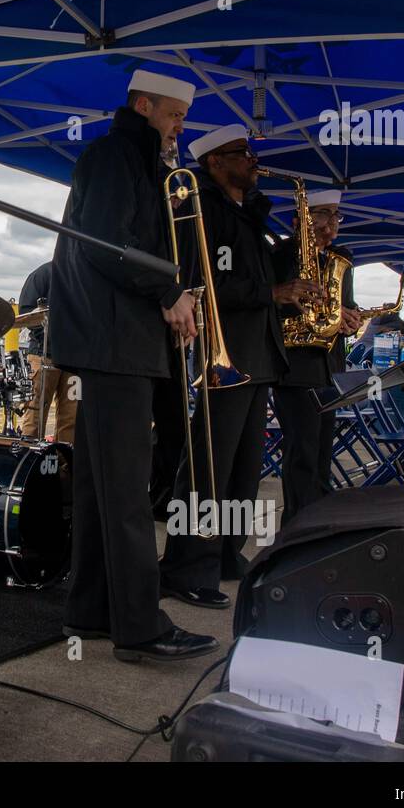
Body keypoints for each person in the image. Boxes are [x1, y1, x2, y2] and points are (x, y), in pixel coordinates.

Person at [49, 69, 216, 663]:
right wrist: (170, 291)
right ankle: (140, 627)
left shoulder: (130, 157)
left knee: (100, 486)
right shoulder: (118, 154)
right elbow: (103, 241)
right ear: (143, 105)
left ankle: (91, 609)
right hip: (115, 342)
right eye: (173, 115)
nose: (179, 128)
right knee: (125, 491)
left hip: (111, 342)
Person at [159, 125, 305, 608]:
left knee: (244, 470)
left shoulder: (247, 215)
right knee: (207, 469)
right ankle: (185, 565)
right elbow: (206, 284)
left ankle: (225, 552)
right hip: (228, 356)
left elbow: (258, 275)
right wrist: (273, 293)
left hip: (256, 354)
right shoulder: (207, 212)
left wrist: (299, 248)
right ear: (216, 162)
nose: (254, 160)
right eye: (242, 154)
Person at [270, 190, 360, 525]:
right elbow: (270, 310)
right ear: (300, 220)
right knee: (302, 451)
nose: (332, 223)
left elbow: (346, 307)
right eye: (324, 214)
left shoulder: (341, 258)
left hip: (329, 366)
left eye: (336, 215)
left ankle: (317, 523)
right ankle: (297, 525)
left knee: (322, 451)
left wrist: (349, 320)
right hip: (295, 367)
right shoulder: (280, 255)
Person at [17, 260, 77, 442]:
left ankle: (66, 467)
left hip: (74, 360)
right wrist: (48, 337)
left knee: (72, 418)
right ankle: (31, 465)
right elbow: (27, 311)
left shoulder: (82, 276)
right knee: (35, 413)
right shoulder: (42, 274)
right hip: (43, 356)